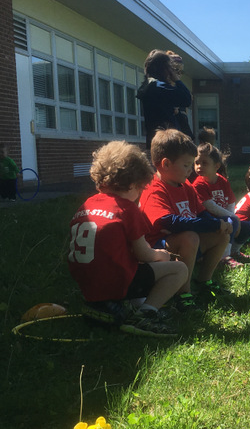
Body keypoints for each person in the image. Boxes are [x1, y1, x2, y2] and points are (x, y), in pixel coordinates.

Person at [67, 140, 189, 337]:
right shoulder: (126, 208)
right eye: (140, 188)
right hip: (114, 282)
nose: (140, 194)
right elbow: (144, 253)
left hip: (87, 283)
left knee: (133, 266)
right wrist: (161, 255)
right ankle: (145, 315)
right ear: (132, 184)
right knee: (179, 269)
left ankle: (114, 306)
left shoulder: (87, 205)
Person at [139, 129, 232, 302]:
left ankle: (203, 281)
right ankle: (183, 293)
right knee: (190, 237)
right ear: (166, 164)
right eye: (186, 165)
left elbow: (201, 212)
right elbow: (170, 222)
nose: (191, 170)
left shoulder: (185, 185)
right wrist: (213, 224)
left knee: (221, 235)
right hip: (157, 251)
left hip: (183, 244)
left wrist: (218, 223)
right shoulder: (154, 189)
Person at [192, 142, 248, 269]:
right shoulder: (198, 184)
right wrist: (233, 218)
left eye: (204, 163)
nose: (199, 166)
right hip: (208, 221)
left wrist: (233, 218)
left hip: (225, 218)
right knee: (233, 221)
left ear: (216, 166)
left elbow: (230, 202)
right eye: (196, 163)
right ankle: (223, 258)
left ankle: (233, 251)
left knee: (248, 227)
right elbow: (210, 206)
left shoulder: (222, 181)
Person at [136, 50, 192, 148]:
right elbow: (187, 99)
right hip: (167, 141)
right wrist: (177, 80)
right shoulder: (158, 86)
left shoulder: (148, 85)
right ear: (162, 68)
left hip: (155, 140)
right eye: (169, 67)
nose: (171, 71)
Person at [166, 51, 194, 138]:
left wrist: (178, 113)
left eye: (181, 72)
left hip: (179, 135)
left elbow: (188, 99)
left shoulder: (179, 90)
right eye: (176, 70)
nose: (178, 75)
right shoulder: (161, 87)